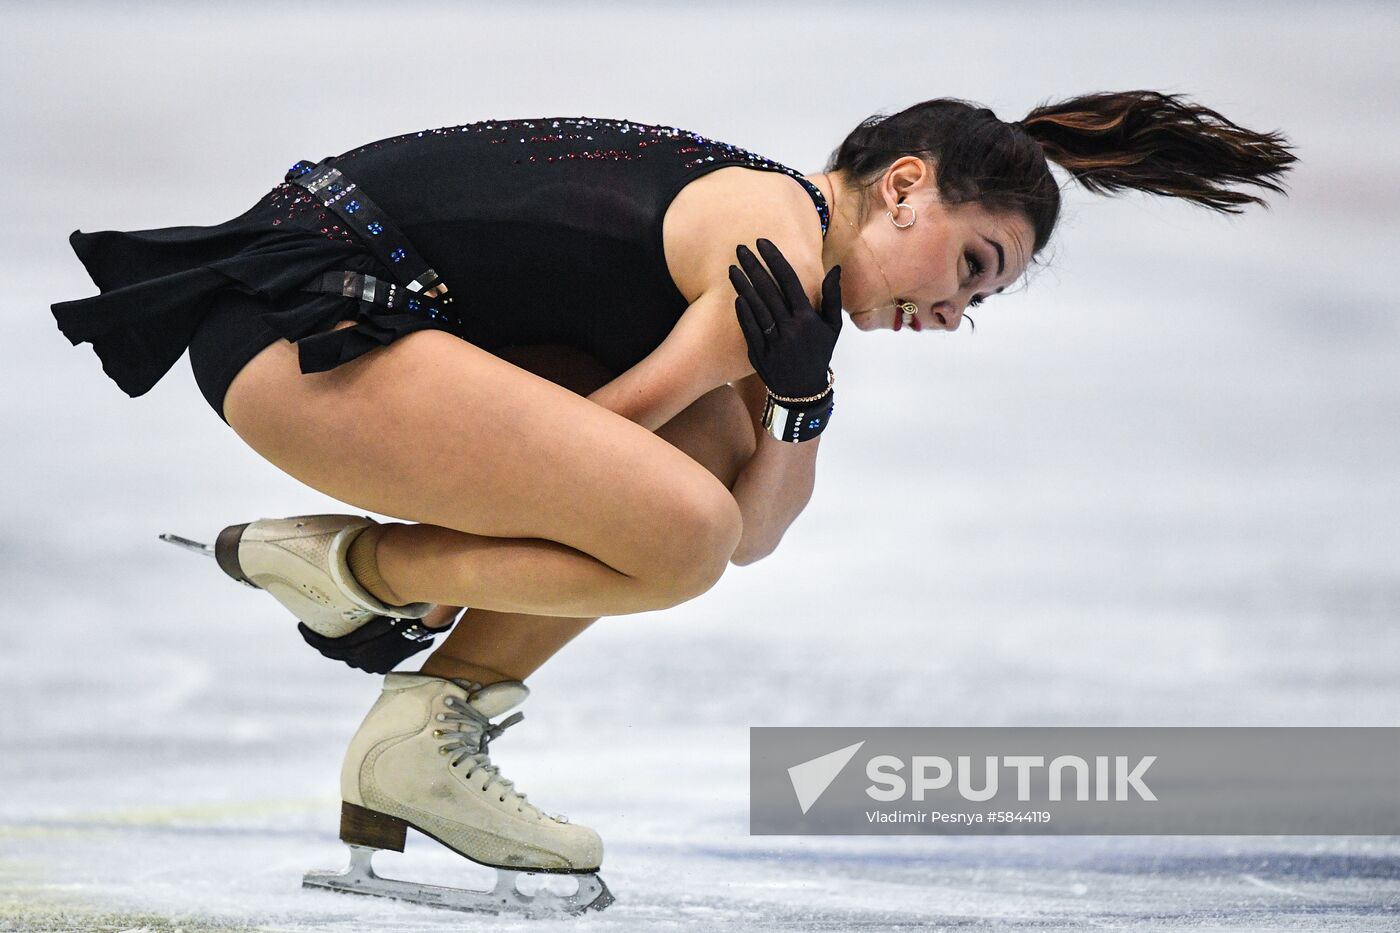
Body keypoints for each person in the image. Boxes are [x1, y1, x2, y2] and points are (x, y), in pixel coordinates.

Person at [50, 92, 1294, 913]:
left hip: (369, 348)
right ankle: (352, 572)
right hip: (303, 335)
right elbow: (631, 487)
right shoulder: (779, 241)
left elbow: (755, 533)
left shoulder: (789, 309)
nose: (957, 311)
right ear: (905, 188)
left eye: (986, 298)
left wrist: (798, 404)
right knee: (669, 521)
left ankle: (419, 738)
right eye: (972, 266)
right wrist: (414, 569)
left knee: (697, 495)